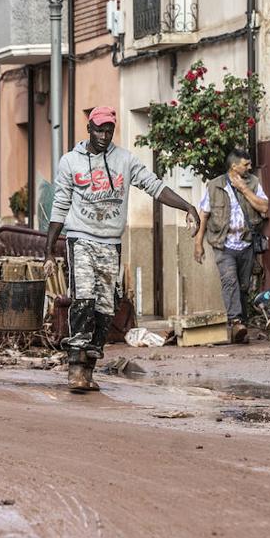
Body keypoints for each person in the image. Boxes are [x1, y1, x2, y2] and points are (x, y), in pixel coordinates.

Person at [44, 106, 200, 393]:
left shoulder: (124, 160)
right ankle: (75, 367)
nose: (104, 136)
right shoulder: (70, 162)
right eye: (99, 129)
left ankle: (89, 367)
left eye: (109, 130)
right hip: (80, 240)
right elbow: (60, 204)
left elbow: (153, 186)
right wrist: (49, 250)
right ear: (89, 129)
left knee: (105, 308)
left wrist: (187, 206)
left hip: (111, 243)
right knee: (84, 299)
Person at [193, 147, 269, 343]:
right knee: (230, 281)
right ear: (234, 166)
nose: (250, 167)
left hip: (246, 243)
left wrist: (244, 189)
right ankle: (235, 321)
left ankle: (240, 327)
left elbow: (264, 207)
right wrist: (198, 243)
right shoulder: (214, 186)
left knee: (244, 287)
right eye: (246, 164)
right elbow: (204, 214)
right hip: (223, 244)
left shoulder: (253, 183)